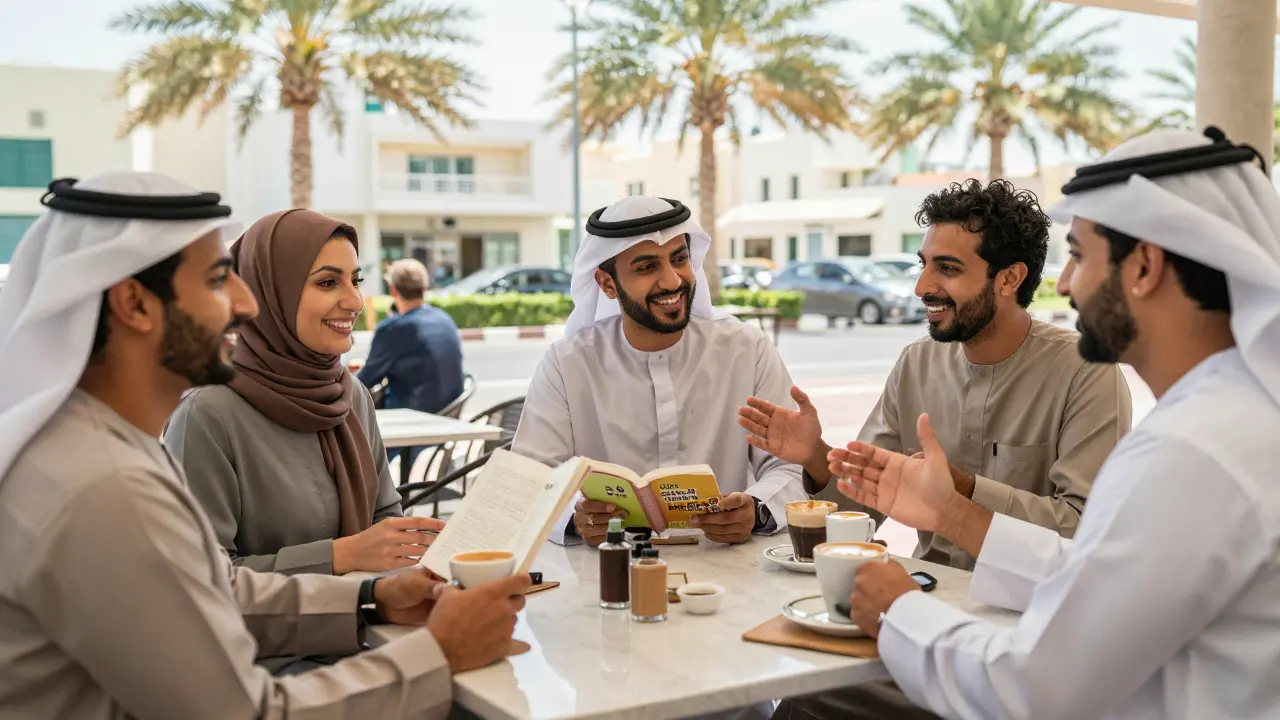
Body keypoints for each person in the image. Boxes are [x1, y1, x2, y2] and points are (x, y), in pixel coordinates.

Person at [0, 173, 529, 718]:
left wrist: (371, 597)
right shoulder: (103, 485)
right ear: (134, 304)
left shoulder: (101, 445)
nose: (246, 304)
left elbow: (212, 590)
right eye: (215, 280)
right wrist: (437, 656)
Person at [826, 127, 1280, 719]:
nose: (1064, 285)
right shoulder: (1226, 419)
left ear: (1144, 266)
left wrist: (900, 611)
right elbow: (1094, 577)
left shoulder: (1193, 449)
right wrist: (951, 512)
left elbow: (1035, 688)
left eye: (1080, 256)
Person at [740, 179, 1131, 570]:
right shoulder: (916, 365)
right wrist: (815, 454)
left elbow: (1085, 529)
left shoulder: (1086, 373)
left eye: (947, 268)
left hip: (1033, 608)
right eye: (923, 265)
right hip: (927, 592)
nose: (921, 287)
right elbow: (859, 511)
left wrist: (965, 490)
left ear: (1009, 279)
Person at [512, 196, 807, 547]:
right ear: (607, 284)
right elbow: (527, 481)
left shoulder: (746, 349)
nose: (671, 281)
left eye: (679, 260)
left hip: (727, 570)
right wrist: (577, 518)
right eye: (646, 267)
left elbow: (791, 466)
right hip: (605, 574)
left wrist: (757, 509)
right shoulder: (567, 364)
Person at [165, 210, 440, 580]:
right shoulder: (208, 414)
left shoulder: (349, 393)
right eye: (327, 282)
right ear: (269, 292)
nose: (355, 301)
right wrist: (340, 556)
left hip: (368, 619)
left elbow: (384, 513)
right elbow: (202, 578)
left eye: (355, 281)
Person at [353, 257, 465, 420]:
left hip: (410, 424)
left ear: (393, 291)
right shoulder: (444, 319)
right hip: (449, 418)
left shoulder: (393, 328)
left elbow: (362, 382)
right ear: (424, 289)